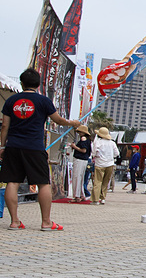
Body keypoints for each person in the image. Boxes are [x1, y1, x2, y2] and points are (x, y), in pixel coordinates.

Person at [0, 69, 80, 230]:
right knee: (43, 183)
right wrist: (73, 123)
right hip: (34, 147)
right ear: (38, 84)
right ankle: (46, 222)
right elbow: (58, 120)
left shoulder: (11, 101)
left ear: (22, 83)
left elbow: (4, 126)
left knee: (12, 182)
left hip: (13, 146)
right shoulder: (43, 101)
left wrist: (2, 146)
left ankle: (14, 221)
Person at [90, 127, 119, 205]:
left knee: (97, 182)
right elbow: (117, 153)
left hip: (99, 164)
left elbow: (93, 153)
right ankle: (103, 198)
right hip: (110, 164)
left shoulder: (97, 142)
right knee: (105, 182)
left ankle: (95, 199)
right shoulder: (112, 143)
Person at [68, 125, 92, 202]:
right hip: (84, 160)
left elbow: (83, 150)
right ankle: (81, 194)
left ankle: (77, 196)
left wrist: (74, 146)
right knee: (80, 178)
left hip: (79, 159)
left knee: (76, 177)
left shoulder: (83, 139)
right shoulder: (88, 140)